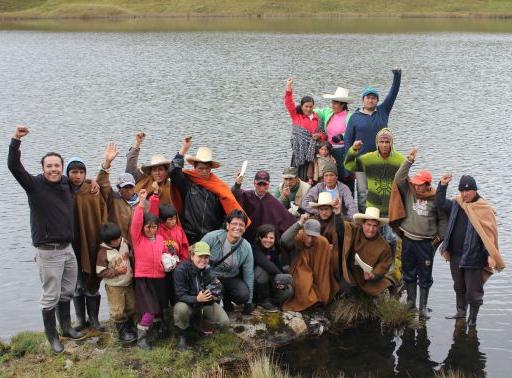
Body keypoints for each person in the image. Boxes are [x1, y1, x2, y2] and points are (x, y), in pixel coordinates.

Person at [7, 125, 84, 353]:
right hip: (48, 251)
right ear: (42, 168)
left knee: (68, 291)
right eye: (49, 166)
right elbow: (13, 166)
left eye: (57, 166)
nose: (53, 169)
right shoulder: (34, 185)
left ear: (62, 168)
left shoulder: (65, 183)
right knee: (51, 296)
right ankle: (53, 338)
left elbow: (83, 181)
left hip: (67, 249)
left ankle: (66, 328)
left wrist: (96, 184)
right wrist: (15, 140)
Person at [436, 174, 505, 327]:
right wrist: (442, 185)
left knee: (474, 293)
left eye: (467, 191)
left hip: (474, 258)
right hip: (455, 255)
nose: (464, 194)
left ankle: (472, 320)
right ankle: (461, 312)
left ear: (475, 190)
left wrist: (490, 255)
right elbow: (440, 203)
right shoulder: (457, 204)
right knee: (458, 286)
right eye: (461, 191)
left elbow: (488, 236)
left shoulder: (484, 208)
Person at [389, 148, 447, 318]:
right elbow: (398, 178)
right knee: (408, 271)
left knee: (425, 275)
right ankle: (410, 303)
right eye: (415, 182)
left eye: (420, 183)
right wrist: (409, 161)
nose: (415, 184)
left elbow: (443, 220)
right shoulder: (409, 191)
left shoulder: (436, 198)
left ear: (427, 184)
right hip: (408, 239)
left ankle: (423, 306)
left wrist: (439, 238)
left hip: (426, 243)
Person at [344, 68, 402, 212]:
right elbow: (347, 141)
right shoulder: (355, 117)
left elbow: (393, 93)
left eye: (373, 98)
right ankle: (365, 217)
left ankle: (385, 216)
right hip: (362, 162)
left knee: (383, 189)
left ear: (377, 100)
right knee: (363, 192)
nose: (371, 100)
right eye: (368, 97)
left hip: (382, 159)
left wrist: (397, 75)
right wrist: (349, 164)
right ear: (363, 99)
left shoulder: (383, 112)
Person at [171, 136, 247, 244]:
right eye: (200, 168)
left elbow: (228, 205)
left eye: (206, 168)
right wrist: (183, 149)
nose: (203, 171)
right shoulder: (187, 184)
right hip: (189, 236)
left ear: (210, 169)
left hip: (212, 237)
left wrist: (220, 233)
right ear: (194, 168)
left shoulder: (218, 187)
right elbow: (174, 172)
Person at [344, 128, 405, 252]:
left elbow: (404, 183)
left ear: (391, 143)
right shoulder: (367, 159)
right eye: (381, 142)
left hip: (391, 207)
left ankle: (391, 266)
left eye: (387, 142)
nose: (384, 145)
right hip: (373, 207)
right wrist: (353, 150)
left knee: (391, 239)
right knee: (374, 238)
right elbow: (349, 165)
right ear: (377, 143)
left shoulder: (400, 160)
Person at [66, 156, 108, 332]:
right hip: (71, 243)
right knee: (76, 284)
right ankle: (80, 320)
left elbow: (103, 214)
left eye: (82, 172)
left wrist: (103, 241)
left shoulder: (92, 192)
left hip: (91, 242)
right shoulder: (62, 190)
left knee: (92, 282)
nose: (78, 176)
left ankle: (94, 320)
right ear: (67, 173)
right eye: (74, 172)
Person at [130, 189, 169, 350]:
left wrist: (154, 199)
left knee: (159, 307)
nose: (151, 230)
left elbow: (165, 253)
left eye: (154, 227)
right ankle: (142, 338)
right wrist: (141, 203)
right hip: (144, 279)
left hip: (159, 278)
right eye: (148, 227)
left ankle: (157, 331)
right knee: (149, 309)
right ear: (143, 227)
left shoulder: (160, 238)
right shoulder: (137, 239)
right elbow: (137, 222)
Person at [173, 242, 229, 351]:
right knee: (181, 309)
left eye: (206, 257)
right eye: (200, 256)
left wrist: (216, 296)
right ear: (192, 255)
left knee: (224, 323)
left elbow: (218, 287)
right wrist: (197, 299)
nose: (203, 260)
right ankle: (182, 334)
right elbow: (180, 295)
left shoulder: (208, 270)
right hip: (188, 303)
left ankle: (200, 325)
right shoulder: (181, 270)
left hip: (205, 303)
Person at [201, 210, 254, 315]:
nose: (237, 227)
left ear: (244, 229)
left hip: (230, 277)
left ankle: (226, 299)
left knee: (243, 295)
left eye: (241, 225)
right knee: (212, 293)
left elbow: (249, 273)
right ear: (228, 225)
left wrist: (249, 302)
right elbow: (196, 258)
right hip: (209, 275)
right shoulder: (212, 237)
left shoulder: (246, 247)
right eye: (234, 224)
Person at [281, 216, 340, 312]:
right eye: (308, 235)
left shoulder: (321, 241)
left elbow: (325, 264)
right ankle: (311, 302)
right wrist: (299, 223)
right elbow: (284, 240)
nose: (310, 239)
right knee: (303, 282)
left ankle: (318, 300)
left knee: (324, 287)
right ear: (303, 231)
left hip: (316, 272)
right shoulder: (298, 237)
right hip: (300, 269)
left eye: (313, 236)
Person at [338, 206, 393, 297]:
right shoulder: (354, 230)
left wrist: (374, 275)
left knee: (382, 289)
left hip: (368, 280)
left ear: (378, 226)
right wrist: (337, 214)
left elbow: (384, 264)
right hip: (350, 274)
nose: (371, 229)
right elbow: (341, 228)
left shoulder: (384, 246)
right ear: (363, 224)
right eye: (368, 225)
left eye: (374, 226)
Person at [96, 222, 136, 343]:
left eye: (119, 237)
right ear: (108, 242)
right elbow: (100, 272)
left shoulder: (125, 243)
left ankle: (130, 327)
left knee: (131, 305)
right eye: (115, 240)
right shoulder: (103, 253)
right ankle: (122, 332)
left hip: (128, 282)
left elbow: (131, 256)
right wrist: (115, 271)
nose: (118, 240)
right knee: (118, 309)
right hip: (114, 286)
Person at [232, 170, 296, 243]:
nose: (262, 188)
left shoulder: (274, 202)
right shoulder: (246, 196)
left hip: (266, 241)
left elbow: (289, 220)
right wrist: (237, 184)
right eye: (259, 184)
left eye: (264, 184)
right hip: (247, 238)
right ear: (254, 183)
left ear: (269, 184)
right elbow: (234, 195)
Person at [284, 78, 326, 181]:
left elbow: (324, 135)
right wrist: (289, 86)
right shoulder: (296, 116)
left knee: (311, 180)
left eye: (311, 106)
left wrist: (319, 136)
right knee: (296, 179)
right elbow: (288, 102)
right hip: (298, 154)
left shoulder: (318, 119)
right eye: (306, 106)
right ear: (302, 106)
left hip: (313, 154)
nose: (308, 109)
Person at [315, 86, 356, 192]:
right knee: (332, 179)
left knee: (346, 178)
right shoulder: (328, 112)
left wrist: (342, 136)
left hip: (344, 151)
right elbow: (311, 110)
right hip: (329, 151)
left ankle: (349, 202)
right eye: (332, 102)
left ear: (343, 105)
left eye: (335, 103)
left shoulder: (350, 116)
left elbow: (354, 132)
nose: (332, 105)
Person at [97, 142, 139, 241]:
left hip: (136, 244)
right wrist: (107, 163)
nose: (128, 190)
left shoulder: (142, 203)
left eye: (130, 187)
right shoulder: (113, 199)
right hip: (117, 242)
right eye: (125, 187)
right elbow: (103, 184)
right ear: (119, 188)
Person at [251, 224, 293, 311]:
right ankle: (261, 301)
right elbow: (266, 264)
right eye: (265, 237)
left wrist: (280, 283)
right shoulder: (254, 248)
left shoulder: (272, 250)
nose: (268, 240)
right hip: (255, 286)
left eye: (271, 238)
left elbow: (277, 266)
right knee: (262, 269)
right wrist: (280, 277)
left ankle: (271, 302)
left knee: (288, 290)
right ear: (259, 237)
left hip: (270, 283)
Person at [125, 131, 174, 205]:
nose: (157, 173)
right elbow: (130, 167)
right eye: (154, 170)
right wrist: (137, 143)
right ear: (151, 172)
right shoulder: (143, 179)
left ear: (166, 171)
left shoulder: (170, 187)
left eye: (160, 169)